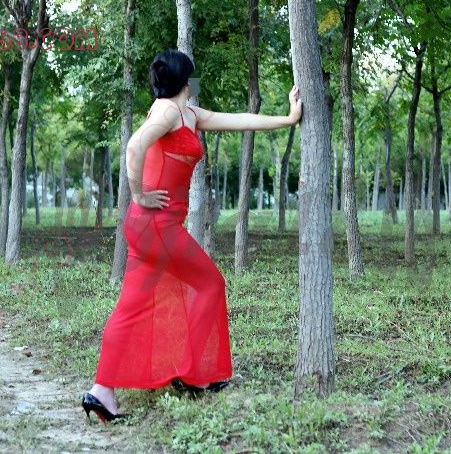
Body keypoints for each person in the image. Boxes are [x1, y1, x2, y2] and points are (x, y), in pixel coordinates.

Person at [82, 49, 302, 423]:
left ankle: (102, 390)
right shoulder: (168, 111)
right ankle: (192, 372)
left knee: (131, 306)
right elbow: (134, 146)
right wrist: (138, 193)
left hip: (147, 226)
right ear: (186, 79)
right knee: (210, 284)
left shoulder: (189, 113)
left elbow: (239, 120)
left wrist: (288, 118)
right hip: (157, 226)